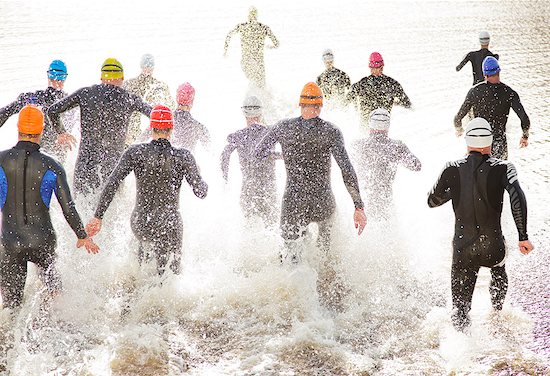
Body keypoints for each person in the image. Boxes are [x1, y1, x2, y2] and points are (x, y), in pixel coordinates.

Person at [428, 117, 534, 332]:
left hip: (462, 247)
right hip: (493, 245)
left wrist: (455, 191)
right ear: (491, 141)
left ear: (467, 141)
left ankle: (460, 351)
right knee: (498, 269)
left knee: (460, 311)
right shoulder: (504, 167)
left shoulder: (451, 168)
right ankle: (497, 318)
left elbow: (432, 201)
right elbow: (517, 198)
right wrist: (523, 236)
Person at [86, 105, 208, 276]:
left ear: (152, 127)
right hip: (168, 224)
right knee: (168, 271)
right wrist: (198, 174)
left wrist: (98, 217)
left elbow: (112, 183)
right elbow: (201, 192)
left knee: (146, 249)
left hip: (140, 222)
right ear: (171, 129)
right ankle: (164, 286)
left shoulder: (135, 152)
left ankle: (138, 285)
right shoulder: (183, 156)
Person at [255, 82, 367, 263]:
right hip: (322, 199)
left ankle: (295, 287)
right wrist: (358, 206)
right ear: (320, 106)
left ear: (300, 105)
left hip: (293, 199)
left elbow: (258, 154)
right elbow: (346, 169)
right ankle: (325, 283)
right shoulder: (331, 131)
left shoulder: (283, 127)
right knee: (326, 253)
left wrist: (281, 155)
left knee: (290, 254)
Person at [0, 105, 99, 310]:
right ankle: (54, 328)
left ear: (18, 129)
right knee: (54, 297)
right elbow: (68, 208)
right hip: (42, 240)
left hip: (10, 241)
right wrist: (82, 235)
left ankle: (11, 339)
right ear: (42, 130)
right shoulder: (52, 165)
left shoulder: (1, 160)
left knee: (11, 307)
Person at [47, 58, 152, 195]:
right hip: (113, 169)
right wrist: (143, 142)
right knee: (110, 211)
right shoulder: (129, 98)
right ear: (122, 78)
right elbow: (157, 116)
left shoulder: (85, 94)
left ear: (102, 77)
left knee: (81, 209)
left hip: (85, 165)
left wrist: (61, 132)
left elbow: (52, 111)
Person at [454, 56, 530, 160]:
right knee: (500, 173)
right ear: (499, 71)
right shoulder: (509, 93)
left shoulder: (475, 92)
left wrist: (459, 129)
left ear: (485, 74)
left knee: (478, 173)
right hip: (499, 144)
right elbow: (524, 118)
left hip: (478, 143)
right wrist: (525, 136)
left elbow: (458, 118)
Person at [352, 108, 421, 219]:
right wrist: (399, 154)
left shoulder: (357, 145)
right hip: (385, 200)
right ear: (388, 126)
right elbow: (416, 165)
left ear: (370, 124)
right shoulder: (396, 147)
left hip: (361, 202)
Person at [0, 60, 74, 162]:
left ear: (49, 76)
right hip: (57, 154)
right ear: (64, 78)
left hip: (34, 150)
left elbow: (5, 112)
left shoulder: (34, 97)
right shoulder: (69, 102)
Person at [221, 96, 278, 225]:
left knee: (250, 231)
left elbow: (224, 155)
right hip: (268, 191)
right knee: (271, 230)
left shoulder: (238, 136)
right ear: (261, 112)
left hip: (248, 190)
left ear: (244, 113)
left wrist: (225, 180)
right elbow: (286, 151)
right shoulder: (271, 133)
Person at [347, 52, 412, 129]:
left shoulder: (362, 83)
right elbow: (407, 104)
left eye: (374, 68)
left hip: (367, 125)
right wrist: (397, 103)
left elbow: (347, 98)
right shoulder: (392, 83)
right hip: (383, 125)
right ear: (382, 67)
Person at [123, 53, 174, 146]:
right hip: (151, 135)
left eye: (149, 65)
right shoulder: (159, 86)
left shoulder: (129, 84)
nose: (147, 68)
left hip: (136, 133)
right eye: (146, 65)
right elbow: (171, 108)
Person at [223, 6, 280, 88]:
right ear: (256, 16)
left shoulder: (242, 26)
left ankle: (253, 94)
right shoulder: (263, 28)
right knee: (260, 84)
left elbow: (229, 36)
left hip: (246, 60)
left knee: (253, 82)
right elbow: (277, 43)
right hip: (258, 61)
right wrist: (270, 47)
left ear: (248, 15)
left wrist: (225, 51)